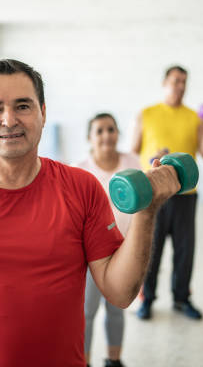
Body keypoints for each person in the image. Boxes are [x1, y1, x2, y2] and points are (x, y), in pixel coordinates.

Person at [0, 59, 182, 367]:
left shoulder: (82, 188)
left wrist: (146, 212)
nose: (9, 120)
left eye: (23, 106)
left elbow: (120, 293)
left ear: (42, 113)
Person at [131, 65, 203, 320]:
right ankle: (146, 299)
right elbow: (133, 151)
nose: (180, 85)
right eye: (175, 80)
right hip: (154, 195)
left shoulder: (194, 117)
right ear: (164, 83)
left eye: (184, 81)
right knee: (150, 249)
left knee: (185, 250)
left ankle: (182, 298)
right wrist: (154, 159)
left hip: (185, 195)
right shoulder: (146, 114)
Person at [76, 113, 141, 367]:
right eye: (99, 131)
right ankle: (85, 362)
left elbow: (141, 205)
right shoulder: (80, 169)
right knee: (87, 312)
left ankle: (114, 361)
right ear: (90, 138)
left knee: (116, 309)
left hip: (123, 252)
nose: (106, 135)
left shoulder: (132, 162)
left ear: (118, 133)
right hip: (91, 255)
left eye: (111, 129)